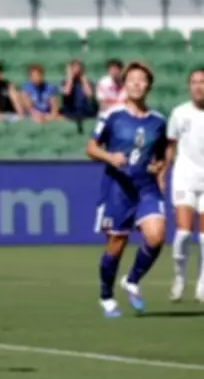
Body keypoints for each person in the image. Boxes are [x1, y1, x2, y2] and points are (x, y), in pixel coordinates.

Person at [85, 62, 167, 318]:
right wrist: (110, 157)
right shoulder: (112, 115)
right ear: (125, 84)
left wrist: (159, 166)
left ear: (149, 85)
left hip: (146, 187)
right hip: (118, 188)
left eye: (142, 80)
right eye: (131, 79)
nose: (137, 84)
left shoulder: (158, 121)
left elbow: (162, 154)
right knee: (117, 243)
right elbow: (90, 147)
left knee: (156, 236)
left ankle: (132, 280)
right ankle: (106, 296)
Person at [165, 68, 204, 302]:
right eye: (195, 82)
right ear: (189, 86)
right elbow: (170, 145)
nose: (199, 86)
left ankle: (202, 281)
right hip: (185, 177)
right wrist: (161, 173)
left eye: (203, 81)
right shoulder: (179, 113)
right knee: (183, 233)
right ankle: (180, 277)